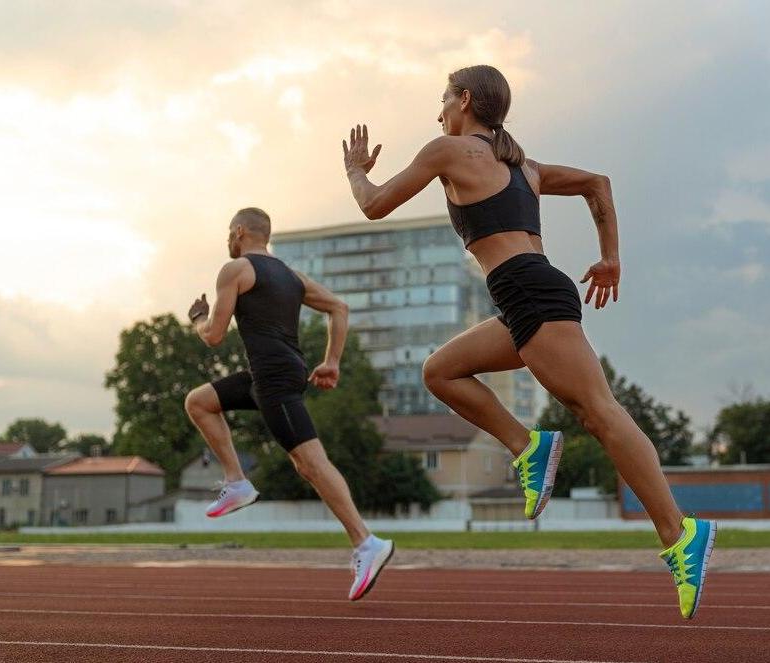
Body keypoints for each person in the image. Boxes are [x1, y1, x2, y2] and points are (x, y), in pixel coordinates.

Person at [341, 65, 715, 619]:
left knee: (601, 413)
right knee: (440, 371)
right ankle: (527, 446)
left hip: (529, 292)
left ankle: (679, 534)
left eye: (443, 100)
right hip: (525, 297)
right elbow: (598, 183)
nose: (437, 112)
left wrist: (354, 171)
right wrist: (610, 256)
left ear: (465, 101)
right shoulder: (525, 167)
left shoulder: (448, 149)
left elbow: (373, 205)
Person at [184, 207, 394, 601]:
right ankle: (237, 482)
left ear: (241, 231)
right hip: (270, 375)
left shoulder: (235, 271)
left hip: (275, 379)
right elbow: (339, 307)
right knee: (198, 402)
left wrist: (198, 318)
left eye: (229, 233)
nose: (228, 240)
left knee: (311, 464)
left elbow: (213, 335)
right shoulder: (291, 276)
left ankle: (367, 543)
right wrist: (331, 361)